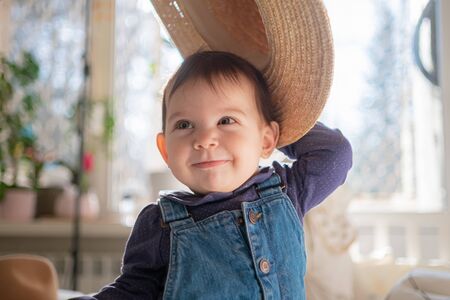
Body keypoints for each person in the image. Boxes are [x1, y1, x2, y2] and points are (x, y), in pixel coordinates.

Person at [77, 50, 352, 299]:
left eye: (226, 120)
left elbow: (335, 153)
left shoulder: (287, 191)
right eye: (185, 124)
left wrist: (274, 117)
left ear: (268, 140)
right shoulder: (160, 225)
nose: (205, 139)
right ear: (165, 150)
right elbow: (131, 292)